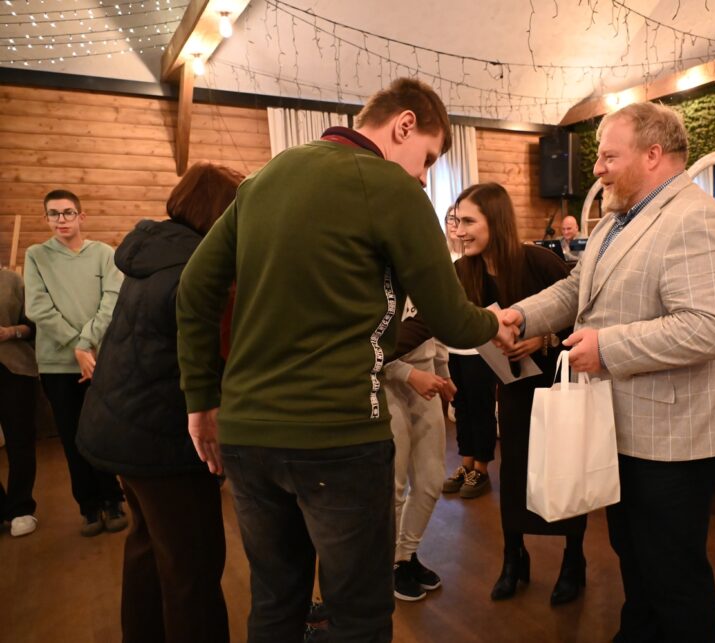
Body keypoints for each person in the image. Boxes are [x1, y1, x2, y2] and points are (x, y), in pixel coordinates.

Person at [176, 78, 514, 643]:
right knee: (357, 613)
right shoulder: (389, 187)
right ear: (404, 124)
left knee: (275, 602)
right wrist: (495, 323)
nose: (425, 175)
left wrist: (200, 403)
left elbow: (193, 290)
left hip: (248, 437)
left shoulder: (265, 178)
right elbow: (453, 319)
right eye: (427, 157)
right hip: (337, 436)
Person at [502, 102, 715, 642]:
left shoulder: (699, 219)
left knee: (673, 575)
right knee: (635, 560)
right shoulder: (621, 217)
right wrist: (522, 314)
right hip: (630, 426)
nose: (597, 168)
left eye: (608, 156)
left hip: (678, 435)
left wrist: (609, 347)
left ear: (653, 155)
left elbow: (712, 328)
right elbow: (578, 290)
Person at [75, 162, 244, 643]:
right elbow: (218, 355)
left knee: (148, 549)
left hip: (121, 426)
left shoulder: (153, 252)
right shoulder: (200, 265)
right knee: (193, 567)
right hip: (163, 437)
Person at [453, 182, 586, 606]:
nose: (459, 231)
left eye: (468, 221)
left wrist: (541, 338)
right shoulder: (464, 272)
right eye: (456, 221)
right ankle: (514, 559)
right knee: (513, 475)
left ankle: (573, 560)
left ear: (497, 221)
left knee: (564, 475)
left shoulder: (540, 262)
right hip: (511, 387)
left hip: (556, 385)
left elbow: (581, 313)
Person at [24, 189, 127, 537]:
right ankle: (88, 507)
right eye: (54, 214)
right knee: (72, 438)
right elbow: (37, 309)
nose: (61, 220)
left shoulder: (103, 254)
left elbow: (113, 302)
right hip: (58, 366)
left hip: (99, 360)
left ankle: (113, 499)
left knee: (104, 433)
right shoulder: (36, 255)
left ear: (81, 217)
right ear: (46, 219)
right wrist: (77, 347)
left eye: (68, 213)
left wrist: (87, 344)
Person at [384, 297, 455, 601]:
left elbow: (437, 325)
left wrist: (444, 371)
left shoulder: (423, 268)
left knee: (431, 480)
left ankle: (406, 555)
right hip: (386, 382)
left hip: (427, 378)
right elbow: (368, 342)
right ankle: (390, 564)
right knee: (394, 483)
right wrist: (409, 375)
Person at [441, 205, 499, 499]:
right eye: (456, 222)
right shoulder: (457, 268)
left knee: (481, 408)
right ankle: (465, 462)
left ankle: (482, 467)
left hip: (483, 352)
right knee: (461, 406)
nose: (460, 230)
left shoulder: (490, 270)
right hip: (455, 349)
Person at [0, 267, 39, 537]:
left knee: (20, 442)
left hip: (15, 370)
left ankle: (20, 508)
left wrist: (9, 332)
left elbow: (33, 326)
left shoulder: (12, 280)